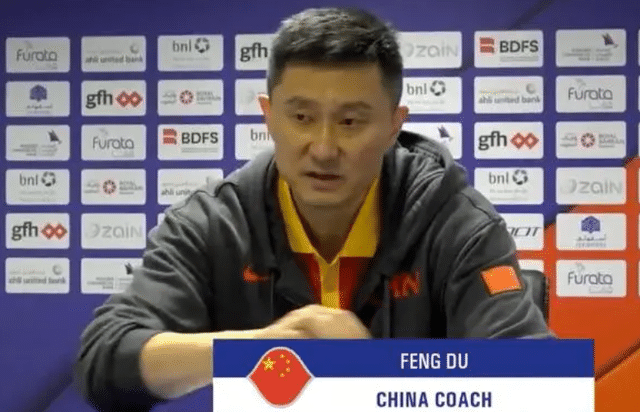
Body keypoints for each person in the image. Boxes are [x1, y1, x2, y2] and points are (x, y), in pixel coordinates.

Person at [75, 7, 552, 412]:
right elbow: (104, 357)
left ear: (393, 125)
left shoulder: (456, 222)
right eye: (301, 117)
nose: (323, 149)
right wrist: (258, 351)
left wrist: (380, 375)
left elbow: (534, 381)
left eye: (350, 121)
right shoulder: (214, 222)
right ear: (268, 116)